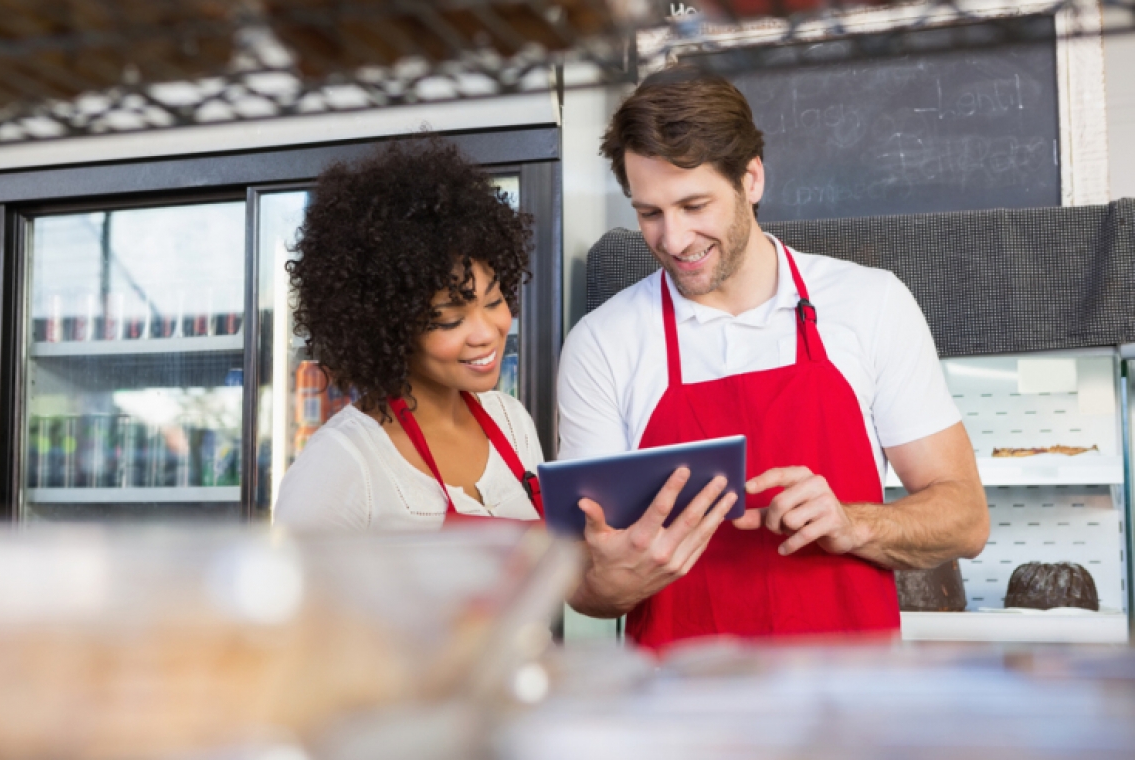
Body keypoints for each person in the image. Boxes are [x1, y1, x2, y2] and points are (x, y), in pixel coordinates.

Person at [557, 65, 990, 649]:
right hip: (680, 715)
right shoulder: (601, 344)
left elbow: (965, 518)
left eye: (694, 205)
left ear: (751, 179)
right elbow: (583, 585)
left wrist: (854, 522)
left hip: (848, 711)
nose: (675, 239)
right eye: (649, 213)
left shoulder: (870, 303)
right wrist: (613, 579)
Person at [274, 137, 544, 530]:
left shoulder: (511, 420)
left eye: (493, 302)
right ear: (388, 327)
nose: (486, 333)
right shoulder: (340, 464)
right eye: (450, 320)